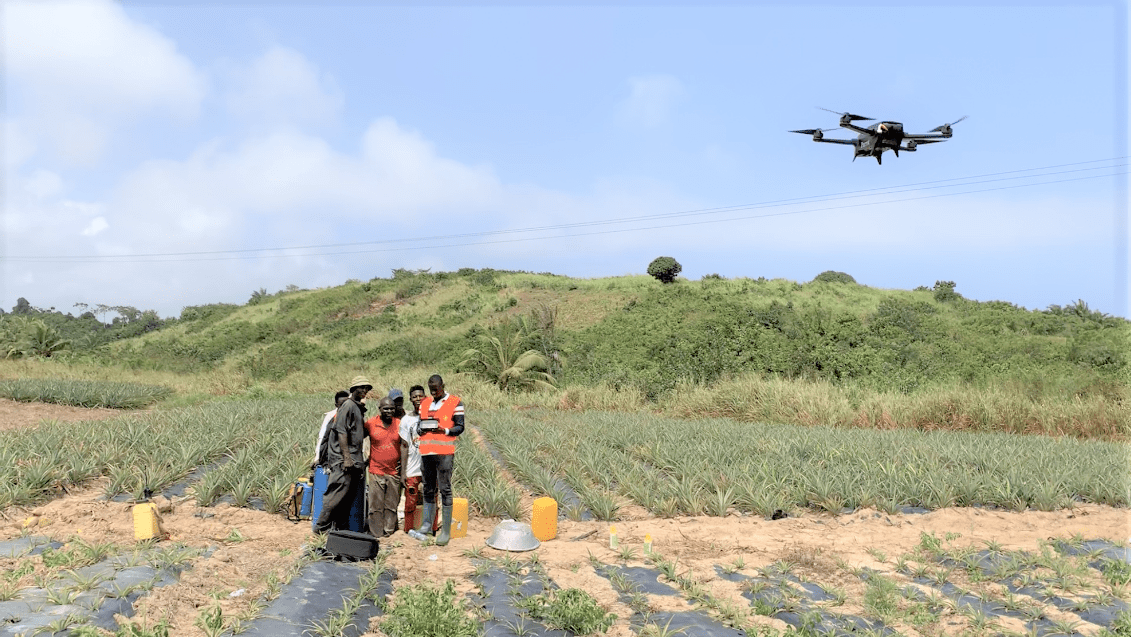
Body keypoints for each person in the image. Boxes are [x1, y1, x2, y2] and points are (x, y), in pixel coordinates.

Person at [313, 376, 371, 535]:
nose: (364, 391)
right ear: (353, 389)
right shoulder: (348, 406)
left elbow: (355, 433)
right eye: (361, 387)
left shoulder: (357, 408)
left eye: (366, 388)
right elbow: (341, 431)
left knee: (346, 498)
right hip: (343, 461)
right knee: (336, 495)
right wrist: (346, 458)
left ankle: (338, 530)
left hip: (353, 460)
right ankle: (320, 529)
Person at [417, 374, 464, 546]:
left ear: (443, 385)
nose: (434, 392)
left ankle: (445, 531)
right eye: (431, 390)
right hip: (426, 452)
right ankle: (427, 525)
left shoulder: (455, 402)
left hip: (444, 453)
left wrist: (444, 431)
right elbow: (419, 423)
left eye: (436, 389)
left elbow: (460, 427)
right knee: (428, 488)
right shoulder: (425, 403)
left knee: (445, 489)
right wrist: (420, 430)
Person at [365, 397, 406, 537]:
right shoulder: (371, 423)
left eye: (391, 408)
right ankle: (376, 533)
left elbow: (405, 447)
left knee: (391, 505)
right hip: (376, 470)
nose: (389, 411)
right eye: (386, 408)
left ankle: (388, 532)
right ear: (379, 408)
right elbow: (359, 438)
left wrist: (403, 473)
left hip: (394, 471)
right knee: (375, 506)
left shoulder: (399, 424)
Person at [398, 385, 431, 533]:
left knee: (431, 498)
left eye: (420, 396)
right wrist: (403, 472)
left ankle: (431, 528)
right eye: (414, 396)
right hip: (412, 466)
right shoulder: (406, 420)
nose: (418, 399)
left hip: (430, 465)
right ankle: (408, 529)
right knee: (410, 499)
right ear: (410, 399)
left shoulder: (432, 416)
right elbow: (404, 446)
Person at [314, 390, 350, 468]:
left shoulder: (353, 416)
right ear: (336, 405)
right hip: (332, 454)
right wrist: (317, 457)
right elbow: (322, 437)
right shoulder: (330, 416)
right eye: (341, 405)